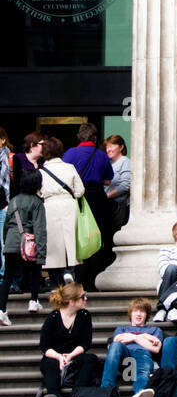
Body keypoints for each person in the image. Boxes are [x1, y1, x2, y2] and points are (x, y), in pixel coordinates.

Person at [63, 123, 114, 288]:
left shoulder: (70, 153)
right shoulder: (101, 155)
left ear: (79, 136)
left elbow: (64, 177)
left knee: (77, 235)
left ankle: (79, 277)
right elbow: (108, 179)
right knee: (96, 236)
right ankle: (95, 278)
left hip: (77, 198)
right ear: (94, 137)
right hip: (98, 198)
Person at [38, 281, 101, 397]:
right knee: (49, 363)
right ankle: (54, 394)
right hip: (55, 355)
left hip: (75, 355)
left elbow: (86, 342)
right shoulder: (53, 317)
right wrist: (59, 357)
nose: (86, 298)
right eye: (83, 297)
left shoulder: (84, 315)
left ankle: (77, 392)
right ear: (72, 301)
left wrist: (70, 355)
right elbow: (44, 345)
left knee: (91, 359)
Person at [0, 170, 47, 323]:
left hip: (11, 243)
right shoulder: (37, 202)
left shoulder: (13, 200)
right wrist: (41, 253)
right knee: (34, 271)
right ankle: (33, 301)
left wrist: (6, 243)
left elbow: (6, 225)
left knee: (8, 277)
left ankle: (2, 310)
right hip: (28, 244)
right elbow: (40, 229)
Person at [38, 137, 85, 286]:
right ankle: (68, 271)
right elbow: (80, 190)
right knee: (69, 241)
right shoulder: (69, 167)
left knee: (53, 244)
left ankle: (54, 282)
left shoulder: (42, 171)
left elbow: (39, 192)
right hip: (69, 205)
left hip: (50, 206)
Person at [100, 297, 163, 397]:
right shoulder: (122, 328)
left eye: (142, 311)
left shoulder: (154, 330)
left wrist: (134, 338)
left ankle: (140, 393)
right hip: (124, 358)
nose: (138, 314)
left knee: (142, 365)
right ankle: (106, 389)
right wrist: (143, 337)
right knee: (115, 345)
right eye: (135, 311)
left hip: (142, 356)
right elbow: (116, 340)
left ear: (147, 314)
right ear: (131, 314)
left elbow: (155, 348)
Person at [103, 135, 131, 256]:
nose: (108, 149)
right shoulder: (107, 163)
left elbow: (126, 185)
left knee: (114, 237)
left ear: (121, 147)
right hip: (107, 206)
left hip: (118, 206)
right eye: (107, 147)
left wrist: (108, 195)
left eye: (111, 146)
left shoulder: (125, 162)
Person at [10, 131, 44, 197]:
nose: (45, 147)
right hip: (23, 201)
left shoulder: (42, 161)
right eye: (42, 144)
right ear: (32, 145)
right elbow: (15, 185)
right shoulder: (18, 158)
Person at [0, 127, 13, 286]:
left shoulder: (10, 158)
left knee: (3, 244)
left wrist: (7, 204)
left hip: (4, 206)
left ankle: (4, 278)